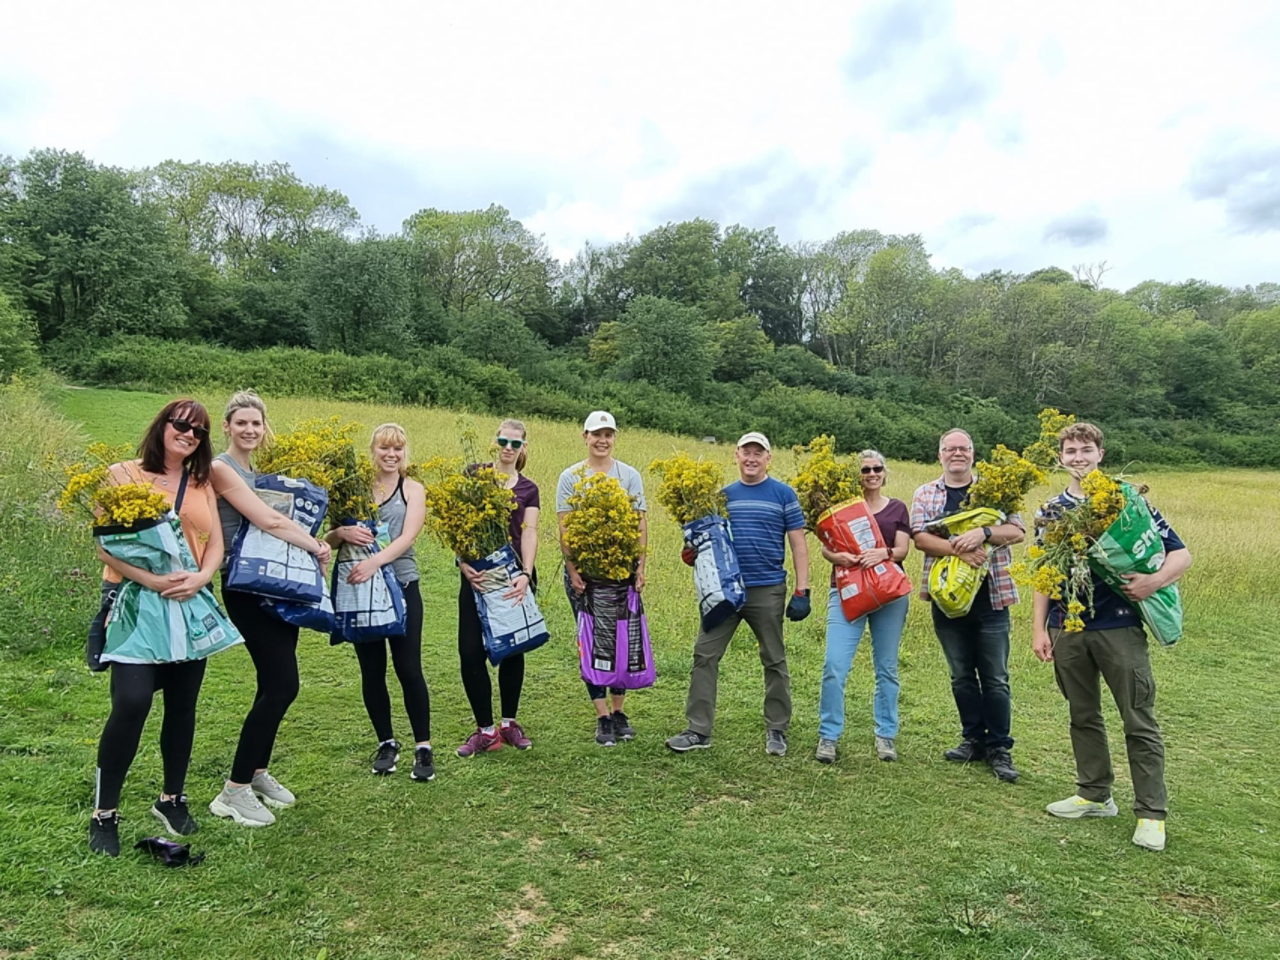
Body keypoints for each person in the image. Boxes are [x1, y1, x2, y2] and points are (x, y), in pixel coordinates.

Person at [1032, 422, 1192, 852]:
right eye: (1070, 450)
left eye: (1086, 449)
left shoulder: (1127, 502)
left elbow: (1181, 553)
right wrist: (1039, 628)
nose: (1078, 457)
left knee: (1138, 718)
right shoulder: (1049, 510)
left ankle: (1151, 814)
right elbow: (1042, 574)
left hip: (1119, 625)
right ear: (1061, 458)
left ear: (1100, 454)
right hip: (1069, 626)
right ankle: (1094, 794)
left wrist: (1152, 583)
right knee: (1082, 715)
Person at [89, 400, 225, 856]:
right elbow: (105, 546)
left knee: (183, 705)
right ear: (163, 425)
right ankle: (104, 813)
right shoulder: (121, 474)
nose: (189, 435)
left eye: (199, 432)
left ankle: (172, 798)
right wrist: (151, 579)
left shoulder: (203, 483)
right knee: (131, 702)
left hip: (188, 605)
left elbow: (215, 545)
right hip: (135, 605)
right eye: (182, 425)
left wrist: (201, 579)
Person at [206, 391, 333, 827]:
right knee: (283, 684)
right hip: (244, 586)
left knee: (272, 683)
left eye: (256, 424)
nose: (249, 430)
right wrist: (317, 545)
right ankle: (234, 790)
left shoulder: (255, 471)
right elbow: (269, 521)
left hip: (274, 583)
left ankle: (257, 773)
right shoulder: (222, 468)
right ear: (227, 426)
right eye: (241, 422)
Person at [666, 431, 810, 757]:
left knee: (773, 659)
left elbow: (799, 545)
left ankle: (777, 729)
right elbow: (705, 542)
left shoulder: (784, 495)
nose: (752, 458)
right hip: (726, 590)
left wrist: (803, 590)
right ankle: (697, 730)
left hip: (767, 589)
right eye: (746, 452)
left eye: (758, 453)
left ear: (768, 458)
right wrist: (691, 553)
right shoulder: (720, 497)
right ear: (736, 455)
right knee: (705, 654)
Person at [910, 429, 1026, 783]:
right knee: (961, 675)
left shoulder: (997, 490)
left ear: (973, 454)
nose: (956, 454)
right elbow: (920, 538)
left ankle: (1000, 748)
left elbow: (1018, 532)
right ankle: (973, 740)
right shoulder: (926, 493)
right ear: (940, 455)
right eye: (950, 449)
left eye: (963, 448)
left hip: (992, 596)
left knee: (995, 677)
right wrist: (960, 549)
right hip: (947, 598)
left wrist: (985, 534)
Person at [326, 424, 434, 781]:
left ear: (405, 453)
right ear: (372, 451)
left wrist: (375, 561)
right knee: (372, 669)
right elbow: (329, 536)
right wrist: (340, 533)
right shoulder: (354, 490)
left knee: (408, 667)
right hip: (360, 590)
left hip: (401, 584)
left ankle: (423, 746)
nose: (391, 455)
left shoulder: (413, 489)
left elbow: (408, 536)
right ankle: (386, 742)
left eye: (398, 449)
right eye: (384, 448)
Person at [556, 410, 648, 747]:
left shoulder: (629, 475)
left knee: (622, 640)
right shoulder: (571, 476)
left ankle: (619, 711)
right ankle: (601, 716)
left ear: (614, 438)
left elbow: (639, 524)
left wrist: (639, 568)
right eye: (596, 434)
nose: (602, 440)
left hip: (621, 573)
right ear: (585, 437)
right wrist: (573, 570)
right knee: (592, 643)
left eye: (608, 434)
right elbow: (565, 527)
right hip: (587, 575)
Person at [815, 449, 912, 764]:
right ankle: (828, 736)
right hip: (847, 591)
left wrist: (882, 554)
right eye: (865, 470)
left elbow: (902, 549)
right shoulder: (841, 509)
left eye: (876, 468)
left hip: (888, 594)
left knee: (886, 667)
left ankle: (886, 735)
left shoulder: (897, 508)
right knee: (834, 665)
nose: (871, 474)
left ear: (885, 472)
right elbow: (827, 550)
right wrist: (838, 558)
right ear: (855, 476)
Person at [456, 419, 538, 757]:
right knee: (470, 651)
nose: (508, 447)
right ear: (494, 442)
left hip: (512, 578)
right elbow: (457, 522)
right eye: (503, 440)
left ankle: (509, 722)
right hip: (476, 578)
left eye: (515, 443)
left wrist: (527, 574)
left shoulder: (528, 488)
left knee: (512, 650)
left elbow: (530, 530)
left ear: (523, 449)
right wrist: (461, 562)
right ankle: (485, 730)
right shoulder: (474, 476)